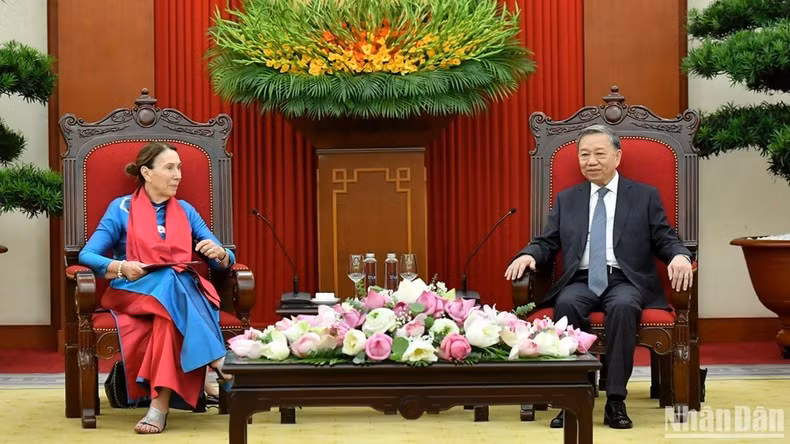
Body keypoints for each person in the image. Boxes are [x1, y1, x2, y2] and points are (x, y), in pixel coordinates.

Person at [504, 124, 693, 429]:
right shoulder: (568, 199)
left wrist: (680, 255)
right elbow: (547, 241)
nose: (591, 161)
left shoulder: (643, 196)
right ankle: (572, 397)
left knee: (623, 307)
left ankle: (615, 401)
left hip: (625, 280)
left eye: (599, 154)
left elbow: (664, 237)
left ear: (617, 156)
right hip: (580, 280)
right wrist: (528, 255)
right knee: (567, 305)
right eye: (584, 155)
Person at [79, 142, 235, 434]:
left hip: (173, 296)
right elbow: (88, 255)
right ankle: (217, 358)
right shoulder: (120, 209)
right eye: (169, 168)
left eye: (180, 168)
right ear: (146, 173)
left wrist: (221, 253)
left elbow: (223, 257)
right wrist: (121, 266)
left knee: (168, 312)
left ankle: (158, 408)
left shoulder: (186, 211)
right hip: (131, 289)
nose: (178, 175)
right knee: (171, 280)